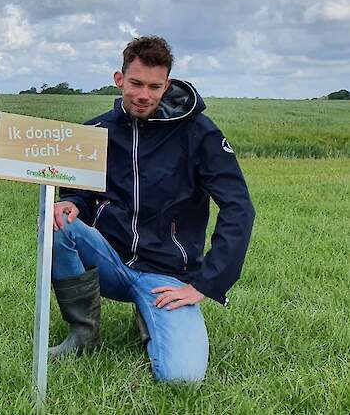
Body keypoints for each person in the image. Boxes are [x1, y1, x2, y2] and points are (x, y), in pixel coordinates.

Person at [50, 36, 255, 382]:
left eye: (154, 86)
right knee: (55, 222)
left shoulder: (198, 133)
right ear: (119, 79)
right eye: (136, 83)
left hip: (166, 275)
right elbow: (81, 195)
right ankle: (82, 334)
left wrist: (206, 284)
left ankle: (150, 314)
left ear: (167, 85)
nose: (144, 95)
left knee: (182, 377)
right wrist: (70, 202)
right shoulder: (95, 131)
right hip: (109, 260)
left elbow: (239, 208)